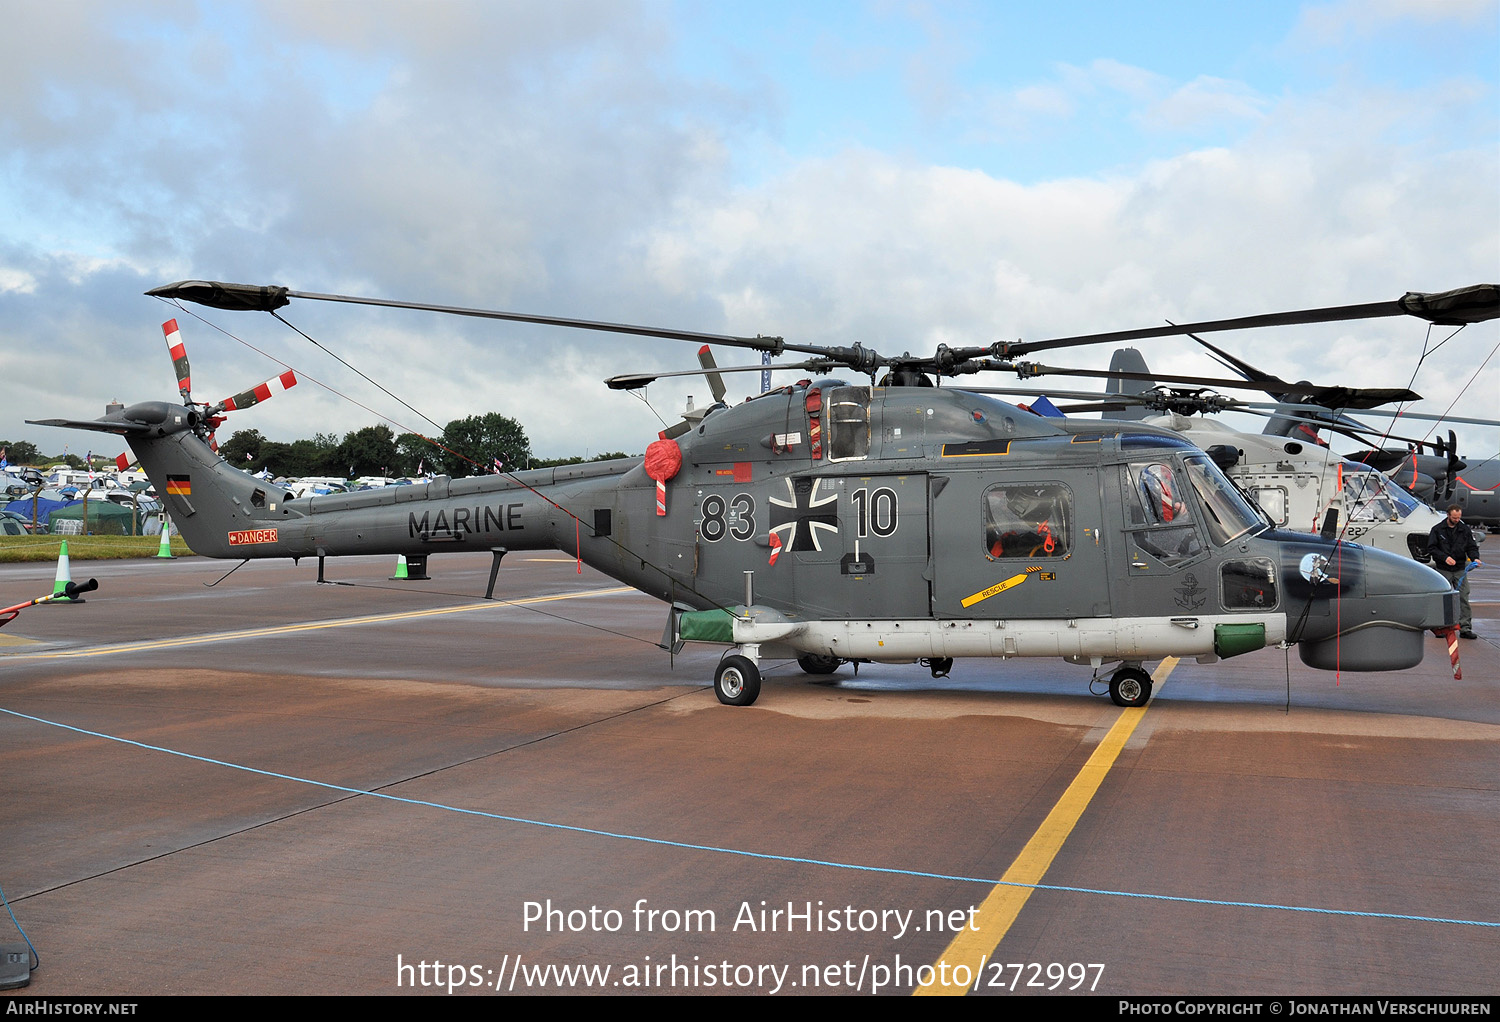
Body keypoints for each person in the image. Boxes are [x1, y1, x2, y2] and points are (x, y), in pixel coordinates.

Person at [1428, 505, 1482, 639]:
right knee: (1442, 599)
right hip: (1443, 569)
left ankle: (1465, 628)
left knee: (1463, 597)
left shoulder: (1464, 530)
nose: (1457, 520)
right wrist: (1444, 558)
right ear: (1448, 515)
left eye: (1459, 517)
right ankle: (1440, 627)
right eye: (1454, 518)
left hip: (1459, 569)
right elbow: (1432, 548)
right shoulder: (1437, 530)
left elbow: (1471, 546)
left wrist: (1475, 558)